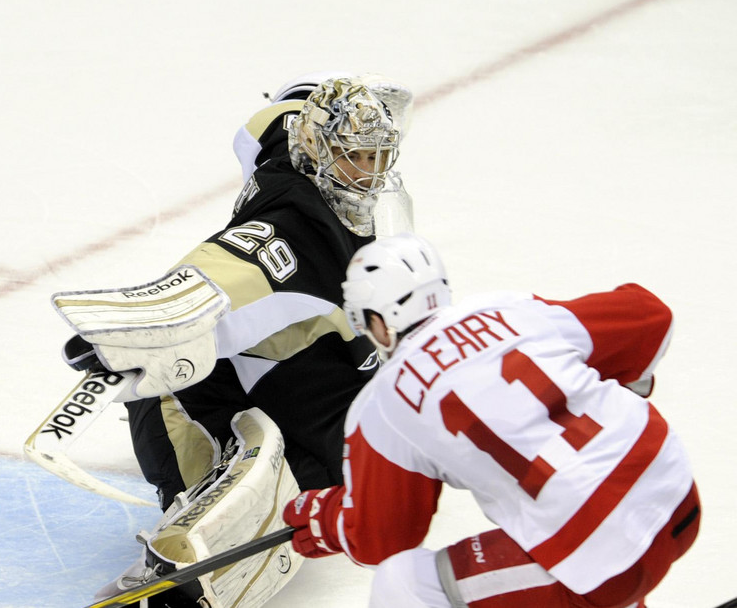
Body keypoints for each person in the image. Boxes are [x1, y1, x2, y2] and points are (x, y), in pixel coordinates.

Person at [53, 72, 415, 607]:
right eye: (355, 158)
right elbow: (217, 278)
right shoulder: (296, 227)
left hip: (304, 394)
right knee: (263, 480)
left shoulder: (291, 138)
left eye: (378, 156)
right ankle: (182, 559)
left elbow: (270, 122)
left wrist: (307, 91)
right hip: (208, 394)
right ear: (317, 152)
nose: (370, 174)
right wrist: (131, 333)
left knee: (314, 455)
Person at [283, 233, 700, 608]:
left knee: (403, 585)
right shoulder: (508, 309)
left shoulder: (384, 404)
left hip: (606, 561)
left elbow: (382, 541)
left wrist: (329, 517)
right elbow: (651, 316)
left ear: (377, 321)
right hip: (675, 492)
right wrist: (631, 377)